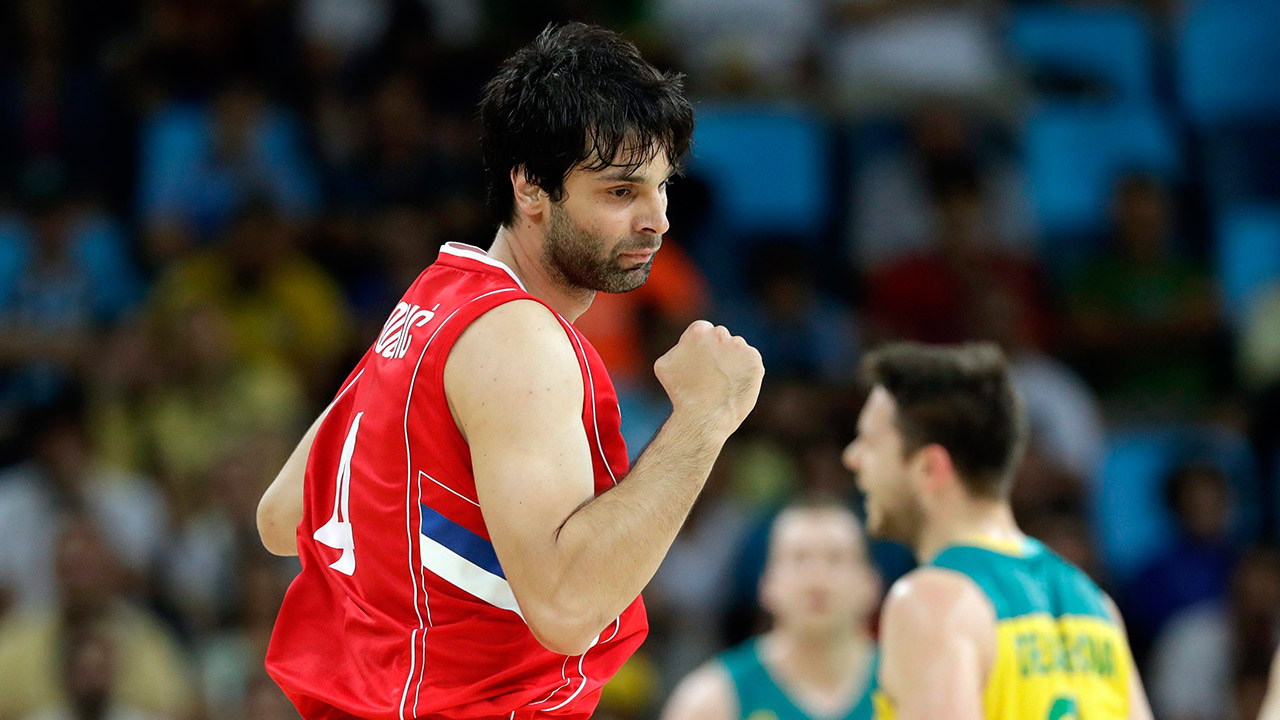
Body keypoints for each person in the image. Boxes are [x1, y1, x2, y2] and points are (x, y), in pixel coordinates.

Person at [255, 23, 765, 720]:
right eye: (620, 192)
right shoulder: (519, 340)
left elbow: (284, 517)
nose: (657, 220)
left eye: (660, 187)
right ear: (531, 187)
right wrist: (704, 421)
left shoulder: (432, 300)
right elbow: (565, 606)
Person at [840, 343, 1153, 720]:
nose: (852, 458)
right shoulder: (1095, 605)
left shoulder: (931, 602)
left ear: (928, 467)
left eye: (870, 443)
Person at [660, 496, 881, 720]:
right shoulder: (709, 702)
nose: (817, 579)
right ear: (766, 585)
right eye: (799, 559)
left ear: (871, 585)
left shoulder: (906, 683)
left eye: (835, 559)